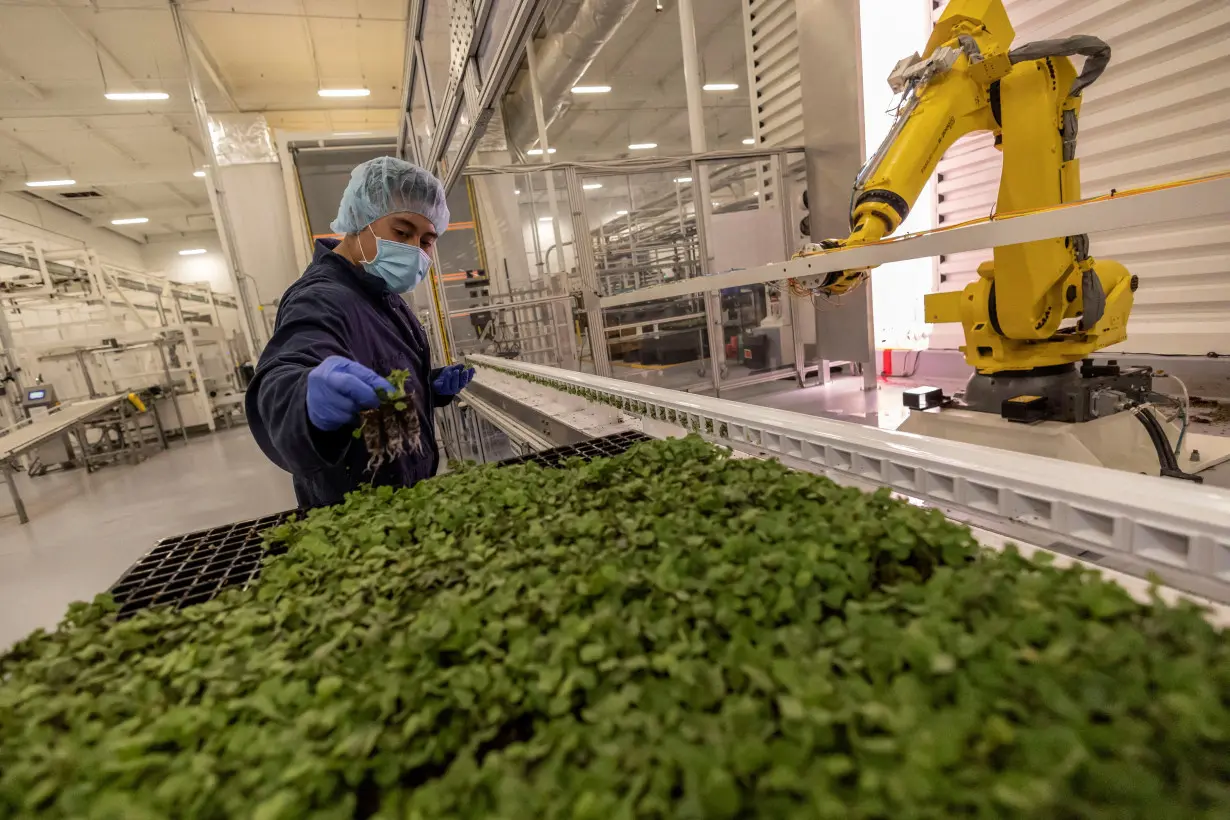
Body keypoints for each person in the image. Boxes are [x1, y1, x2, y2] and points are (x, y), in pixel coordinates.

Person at [246, 157, 474, 509]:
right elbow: (283, 376)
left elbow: (376, 372)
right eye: (402, 232)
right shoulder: (320, 298)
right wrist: (306, 400)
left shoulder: (381, 293)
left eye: (427, 240)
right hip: (356, 511)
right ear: (358, 221)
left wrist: (426, 385)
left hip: (401, 499)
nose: (415, 249)